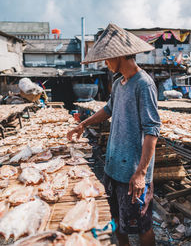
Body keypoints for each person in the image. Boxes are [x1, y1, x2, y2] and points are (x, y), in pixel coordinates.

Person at [67, 23, 161, 246]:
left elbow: (152, 131)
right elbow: (108, 109)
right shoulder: (119, 84)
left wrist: (141, 173)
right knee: (118, 221)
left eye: (107, 58)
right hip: (113, 168)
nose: (105, 63)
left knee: (142, 225)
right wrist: (84, 124)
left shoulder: (144, 84)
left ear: (120, 55)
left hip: (132, 174)